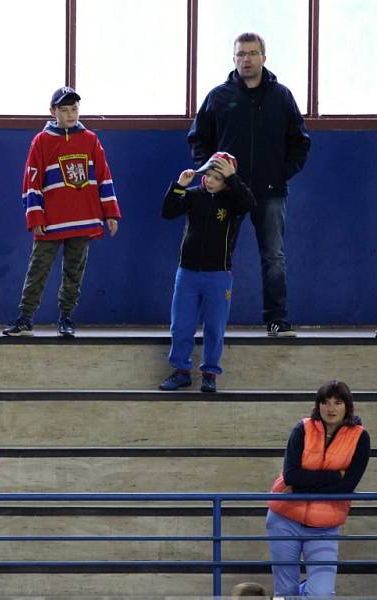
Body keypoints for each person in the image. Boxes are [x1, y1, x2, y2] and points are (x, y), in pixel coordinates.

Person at [188, 32, 311, 338]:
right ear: (234, 59)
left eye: (253, 53)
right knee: (216, 256)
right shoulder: (219, 96)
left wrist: (282, 173)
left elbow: (300, 142)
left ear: (264, 58)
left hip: (271, 193)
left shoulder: (282, 96)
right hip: (228, 193)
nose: (247, 59)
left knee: (273, 257)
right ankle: (213, 323)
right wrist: (214, 172)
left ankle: (276, 321)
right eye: (241, 54)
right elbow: (198, 138)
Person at [2, 87, 120, 338]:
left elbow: (103, 177)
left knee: (74, 271)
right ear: (52, 112)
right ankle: (25, 318)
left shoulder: (90, 140)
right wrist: (35, 216)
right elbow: (32, 181)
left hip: (84, 219)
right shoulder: (42, 141)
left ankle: (66, 317)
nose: (70, 115)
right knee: (38, 268)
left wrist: (110, 212)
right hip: (51, 222)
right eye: (64, 110)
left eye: (74, 109)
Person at [158, 152, 256, 393]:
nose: (210, 181)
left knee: (214, 326)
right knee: (181, 325)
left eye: (217, 177)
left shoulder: (233, 202)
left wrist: (234, 178)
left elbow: (250, 204)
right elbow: (168, 211)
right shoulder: (193, 196)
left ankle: (210, 373)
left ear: (227, 181)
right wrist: (179, 186)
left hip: (218, 276)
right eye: (207, 175)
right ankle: (181, 371)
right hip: (188, 273)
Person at [266, 380, 370, 597]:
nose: (330, 408)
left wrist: (300, 487)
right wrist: (335, 476)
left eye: (337, 402)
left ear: (347, 406)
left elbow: (347, 486)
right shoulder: (302, 429)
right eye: (325, 402)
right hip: (284, 519)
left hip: (325, 526)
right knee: (285, 592)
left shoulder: (360, 437)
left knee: (320, 594)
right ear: (317, 405)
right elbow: (291, 475)